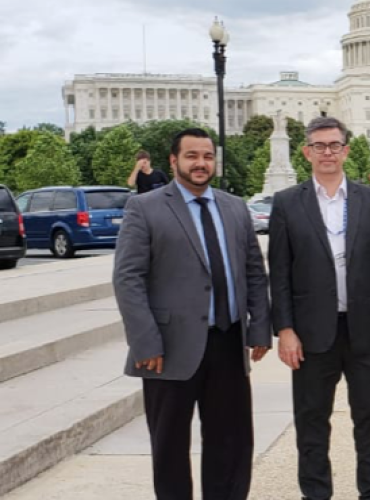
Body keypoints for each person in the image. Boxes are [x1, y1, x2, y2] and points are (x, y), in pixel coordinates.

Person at [113, 128, 272, 500]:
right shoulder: (146, 207)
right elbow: (127, 278)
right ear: (173, 161)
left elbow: (253, 270)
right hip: (166, 349)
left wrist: (260, 327)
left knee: (231, 444)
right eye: (192, 156)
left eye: (207, 156)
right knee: (169, 447)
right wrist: (144, 341)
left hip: (228, 343)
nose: (201, 163)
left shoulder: (234, 207)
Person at [269, 117, 370, 500]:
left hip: (367, 331)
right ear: (306, 151)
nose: (327, 152)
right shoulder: (286, 203)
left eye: (334, 145)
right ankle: (315, 494)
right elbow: (278, 273)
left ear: (346, 150)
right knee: (311, 423)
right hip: (311, 336)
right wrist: (285, 330)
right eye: (319, 145)